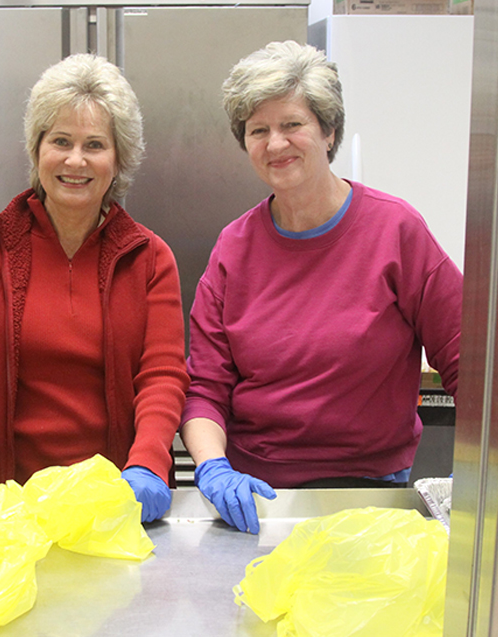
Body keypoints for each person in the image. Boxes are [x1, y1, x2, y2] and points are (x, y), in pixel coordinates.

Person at [180, 41, 462, 534]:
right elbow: (205, 388)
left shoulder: (395, 231)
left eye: (292, 125)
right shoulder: (233, 248)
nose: (275, 144)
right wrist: (213, 469)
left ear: (329, 131)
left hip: (368, 493)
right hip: (254, 497)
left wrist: (485, 474)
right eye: (258, 130)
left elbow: (471, 362)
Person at [0, 54, 189, 522]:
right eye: (61, 141)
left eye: (95, 144)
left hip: (111, 504)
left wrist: (150, 461)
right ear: (37, 150)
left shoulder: (150, 259)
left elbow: (162, 376)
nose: (75, 160)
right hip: (2, 505)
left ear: (119, 159)